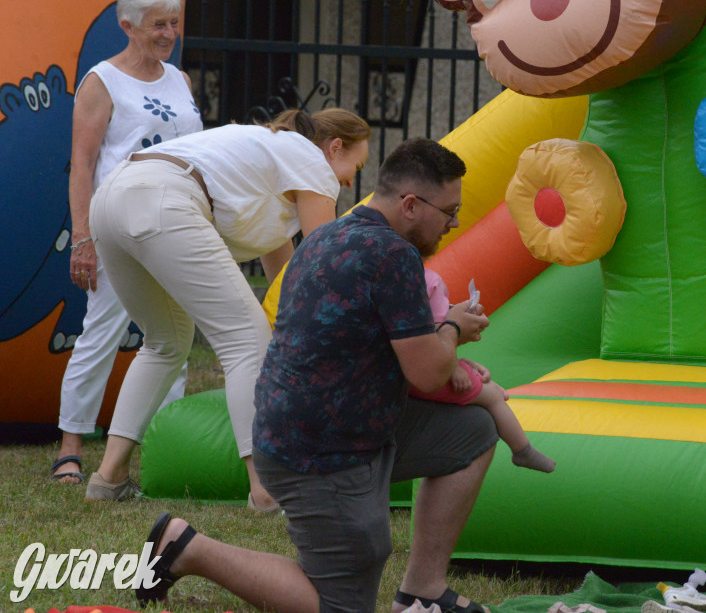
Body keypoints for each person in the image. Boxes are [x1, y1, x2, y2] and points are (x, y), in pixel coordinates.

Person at [132, 138, 499, 613]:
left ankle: (423, 590)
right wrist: (451, 327)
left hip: (310, 431)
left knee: (471, 434)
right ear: (410, 204)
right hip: (323, 453)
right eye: (449, 211)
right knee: (343, 608)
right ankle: (184, 548)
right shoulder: (393, 256)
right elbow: (428, 373)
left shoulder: (325, 236)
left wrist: (436, 333)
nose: (453, 223)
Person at [84, 106, 370, 512]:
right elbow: (321, 259)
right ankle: (266, 490)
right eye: (354, 166)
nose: (349, 180)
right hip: (163, 198)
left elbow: (288, 279)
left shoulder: (273, 162)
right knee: (247, 341)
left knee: (165, 342)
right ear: (335, 148)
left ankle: (108, 477)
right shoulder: (311, 159)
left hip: (112, 199)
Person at [53, 0, 202, 485]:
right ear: (127, 25)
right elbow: (82, 163)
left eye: (174, 23)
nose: (168, 33)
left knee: (174, 337)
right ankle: (70, 448)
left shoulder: (179, 80)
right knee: (102, 331)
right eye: (157, 24)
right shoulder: (102, 81)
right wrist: (83, 239)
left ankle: (166, 447)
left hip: (176, 225)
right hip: (119, 226)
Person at [411, 268, 554, 473]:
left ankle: (497, 400)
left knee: (491, 388)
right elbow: (432, 337)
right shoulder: (428, 279)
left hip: (413, 368)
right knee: (494, 396)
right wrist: (452, 367)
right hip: (429, 369)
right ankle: (522, 450)